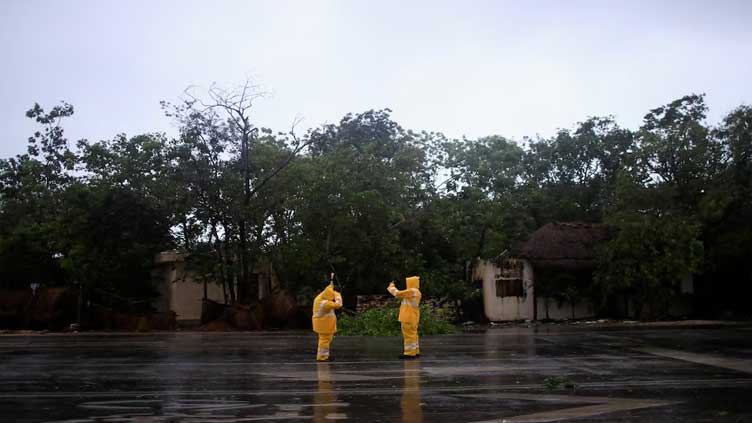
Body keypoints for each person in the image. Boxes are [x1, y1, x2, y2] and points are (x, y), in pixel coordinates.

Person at [387, 276, 421, 359]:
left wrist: (391, 286)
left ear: (411, 283)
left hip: (407, 317)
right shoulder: (416, 292)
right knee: (413, 335)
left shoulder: (412, 291)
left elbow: (397, 293)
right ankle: (415, 351)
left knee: (408, 335)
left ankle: (409, 353)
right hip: (413, 316)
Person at [312, 278, 343, 361]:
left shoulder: (320, 297)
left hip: (321, 323)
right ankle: (322, 357)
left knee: (325, 340)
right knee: (324, 341)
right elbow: (338, 305)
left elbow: (328, 290)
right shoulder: (325, 303)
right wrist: (337, 295)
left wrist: (331, 286)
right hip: (324, 324)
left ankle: (324, 356)